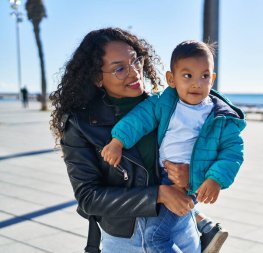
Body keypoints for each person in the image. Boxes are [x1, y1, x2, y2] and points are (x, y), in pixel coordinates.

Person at [49, 28, 201, 253]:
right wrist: (157, 194)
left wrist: (193, 174)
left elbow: (203, 149)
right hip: (131, 238)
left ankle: (202, 222)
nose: (135, 73)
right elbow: (88, 197)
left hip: (183, 226)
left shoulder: (166, 107)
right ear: (97, 78)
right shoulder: (81, 125)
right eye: (119, 69)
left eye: (136, 61)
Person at [101, 40, 246, 253]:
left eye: (204, 76)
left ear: (212, 79)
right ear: (171, 79)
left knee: (154, 237)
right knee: (166, 231)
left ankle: (204, 226)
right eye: (187, 76)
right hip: (162, 178)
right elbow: (139, 119)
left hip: (187, 184)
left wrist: (214, 178)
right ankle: (205, 227)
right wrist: (118, 141)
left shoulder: (221, 117)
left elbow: (232, 152)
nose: (197, 83)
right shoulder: (165, 102)